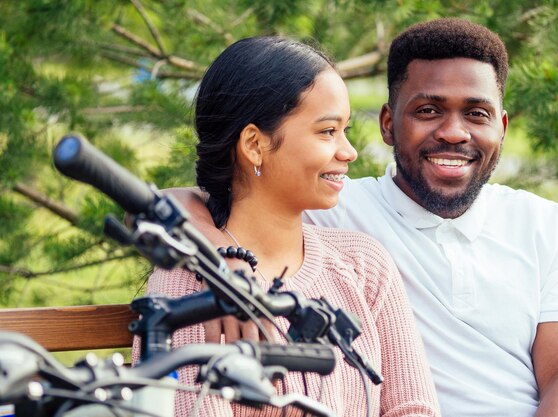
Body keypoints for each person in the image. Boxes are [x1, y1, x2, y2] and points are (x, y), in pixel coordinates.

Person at [172, 18, 558, 417]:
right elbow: (183, 201)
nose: (453, 132)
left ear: (501, 127)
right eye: (428, 111)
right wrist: (224, 261)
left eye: (476, 113)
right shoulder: (339, 209)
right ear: (389, 123)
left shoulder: (537, 221)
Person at [135, 36, 441, 417]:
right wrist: (217, 260)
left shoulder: (363, 265)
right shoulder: (191, 282)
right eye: (327, 131)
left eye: (344, 130)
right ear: (253, 144)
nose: (349, 151)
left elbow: (413, 409)